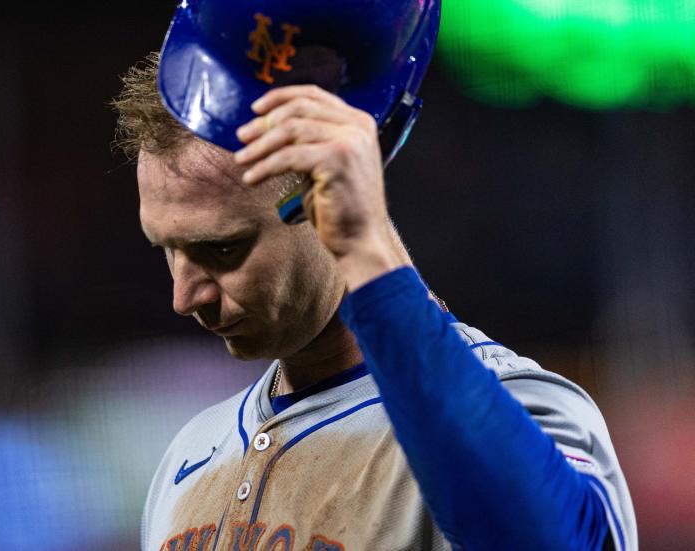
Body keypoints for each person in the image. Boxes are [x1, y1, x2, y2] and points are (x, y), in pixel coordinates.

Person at [112, 47, 636, 551]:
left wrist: (368, 249)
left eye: (222, 247)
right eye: (168, 249)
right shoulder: (191, 452)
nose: (184, 296)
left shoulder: (516, 407)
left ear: (325, 207)